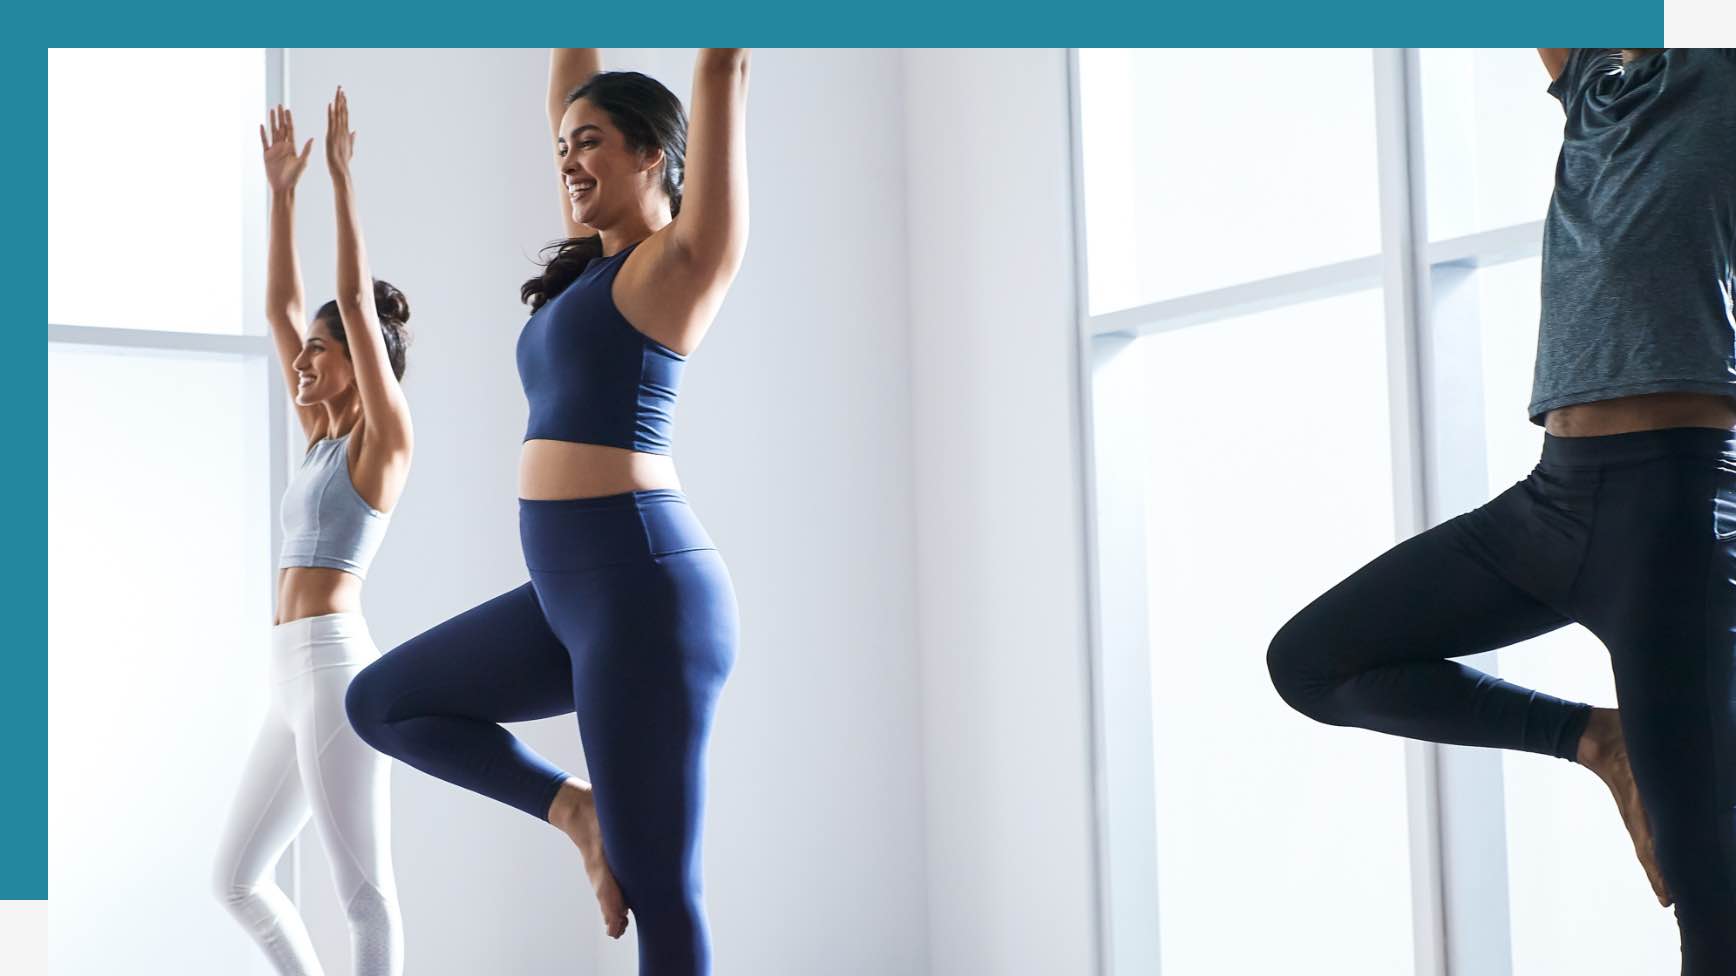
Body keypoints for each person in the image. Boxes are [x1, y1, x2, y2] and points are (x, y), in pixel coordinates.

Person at [1268, 48, 1735, 974]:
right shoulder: (1594, 73)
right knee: (1311, 663)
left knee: (1713, 918)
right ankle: (1594, 739)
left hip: (1675, 518)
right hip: (1552, 502)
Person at [345, 49, 749, 976]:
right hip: (566, 593)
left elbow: (724, 65)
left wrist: (720, 63)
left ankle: (608, 832)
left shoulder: (682, 262)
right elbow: (568, 70)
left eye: (591, 144)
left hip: (645, 594)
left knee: (660, 888)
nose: (568, 162)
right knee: (386, 703)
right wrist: (570, 104)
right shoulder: (587, 275)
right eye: (561, 145)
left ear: (652, 154)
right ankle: (577, 809)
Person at [214, 89, 414, 976]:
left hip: (336, 670)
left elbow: (352, 305)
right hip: (286, 675)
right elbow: (281, 308)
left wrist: (341, 178)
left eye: (320, 352)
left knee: (363, 897)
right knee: (236, 880)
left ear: (361, 366)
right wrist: (282, 193)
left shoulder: (383, 444)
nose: (301, 358)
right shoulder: (318, 444)